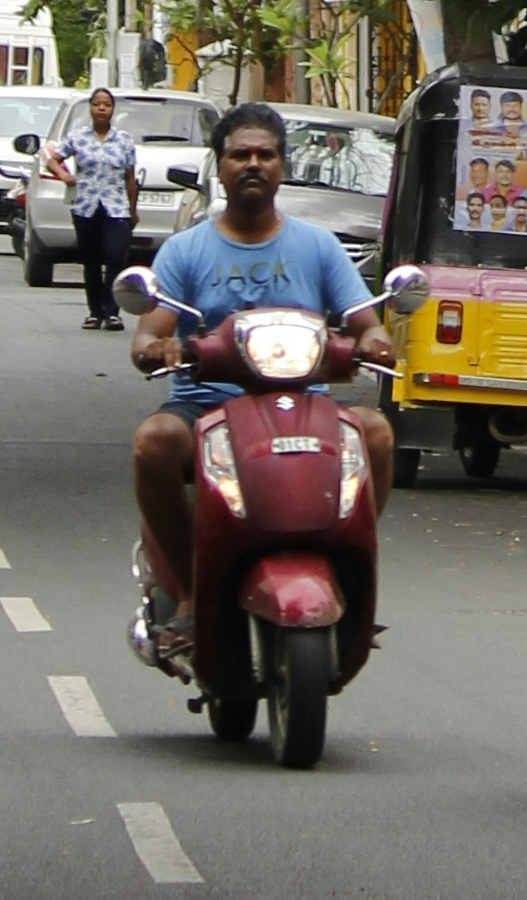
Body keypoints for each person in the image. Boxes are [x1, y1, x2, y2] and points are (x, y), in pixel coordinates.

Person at [128, 102, 392, 661]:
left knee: (375, 432)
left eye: (265, 155)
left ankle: (349, 569)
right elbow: (147, 334)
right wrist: (161, 346)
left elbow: (367, 322)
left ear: (282, 165)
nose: (253, 164)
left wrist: (372, 341)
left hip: (303, 405)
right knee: (153, 442)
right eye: (239, 155)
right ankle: (191, 587)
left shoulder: (318, 246)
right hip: (206, 408)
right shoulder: (185, 249)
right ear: (219, 167)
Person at [56, 80, 140, 329]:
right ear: (90, 108)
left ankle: (112, 311)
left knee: (115, 255)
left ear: (113, 109)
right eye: (97, 104)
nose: (102, 108)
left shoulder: (123, 140)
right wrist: (64, 175)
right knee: (91, 260)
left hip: (116, 207)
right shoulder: (77, 137)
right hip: (86, 205)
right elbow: (52, 158)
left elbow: (130, 177)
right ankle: (95, 312)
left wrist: (133, 210)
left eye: (107, 105)